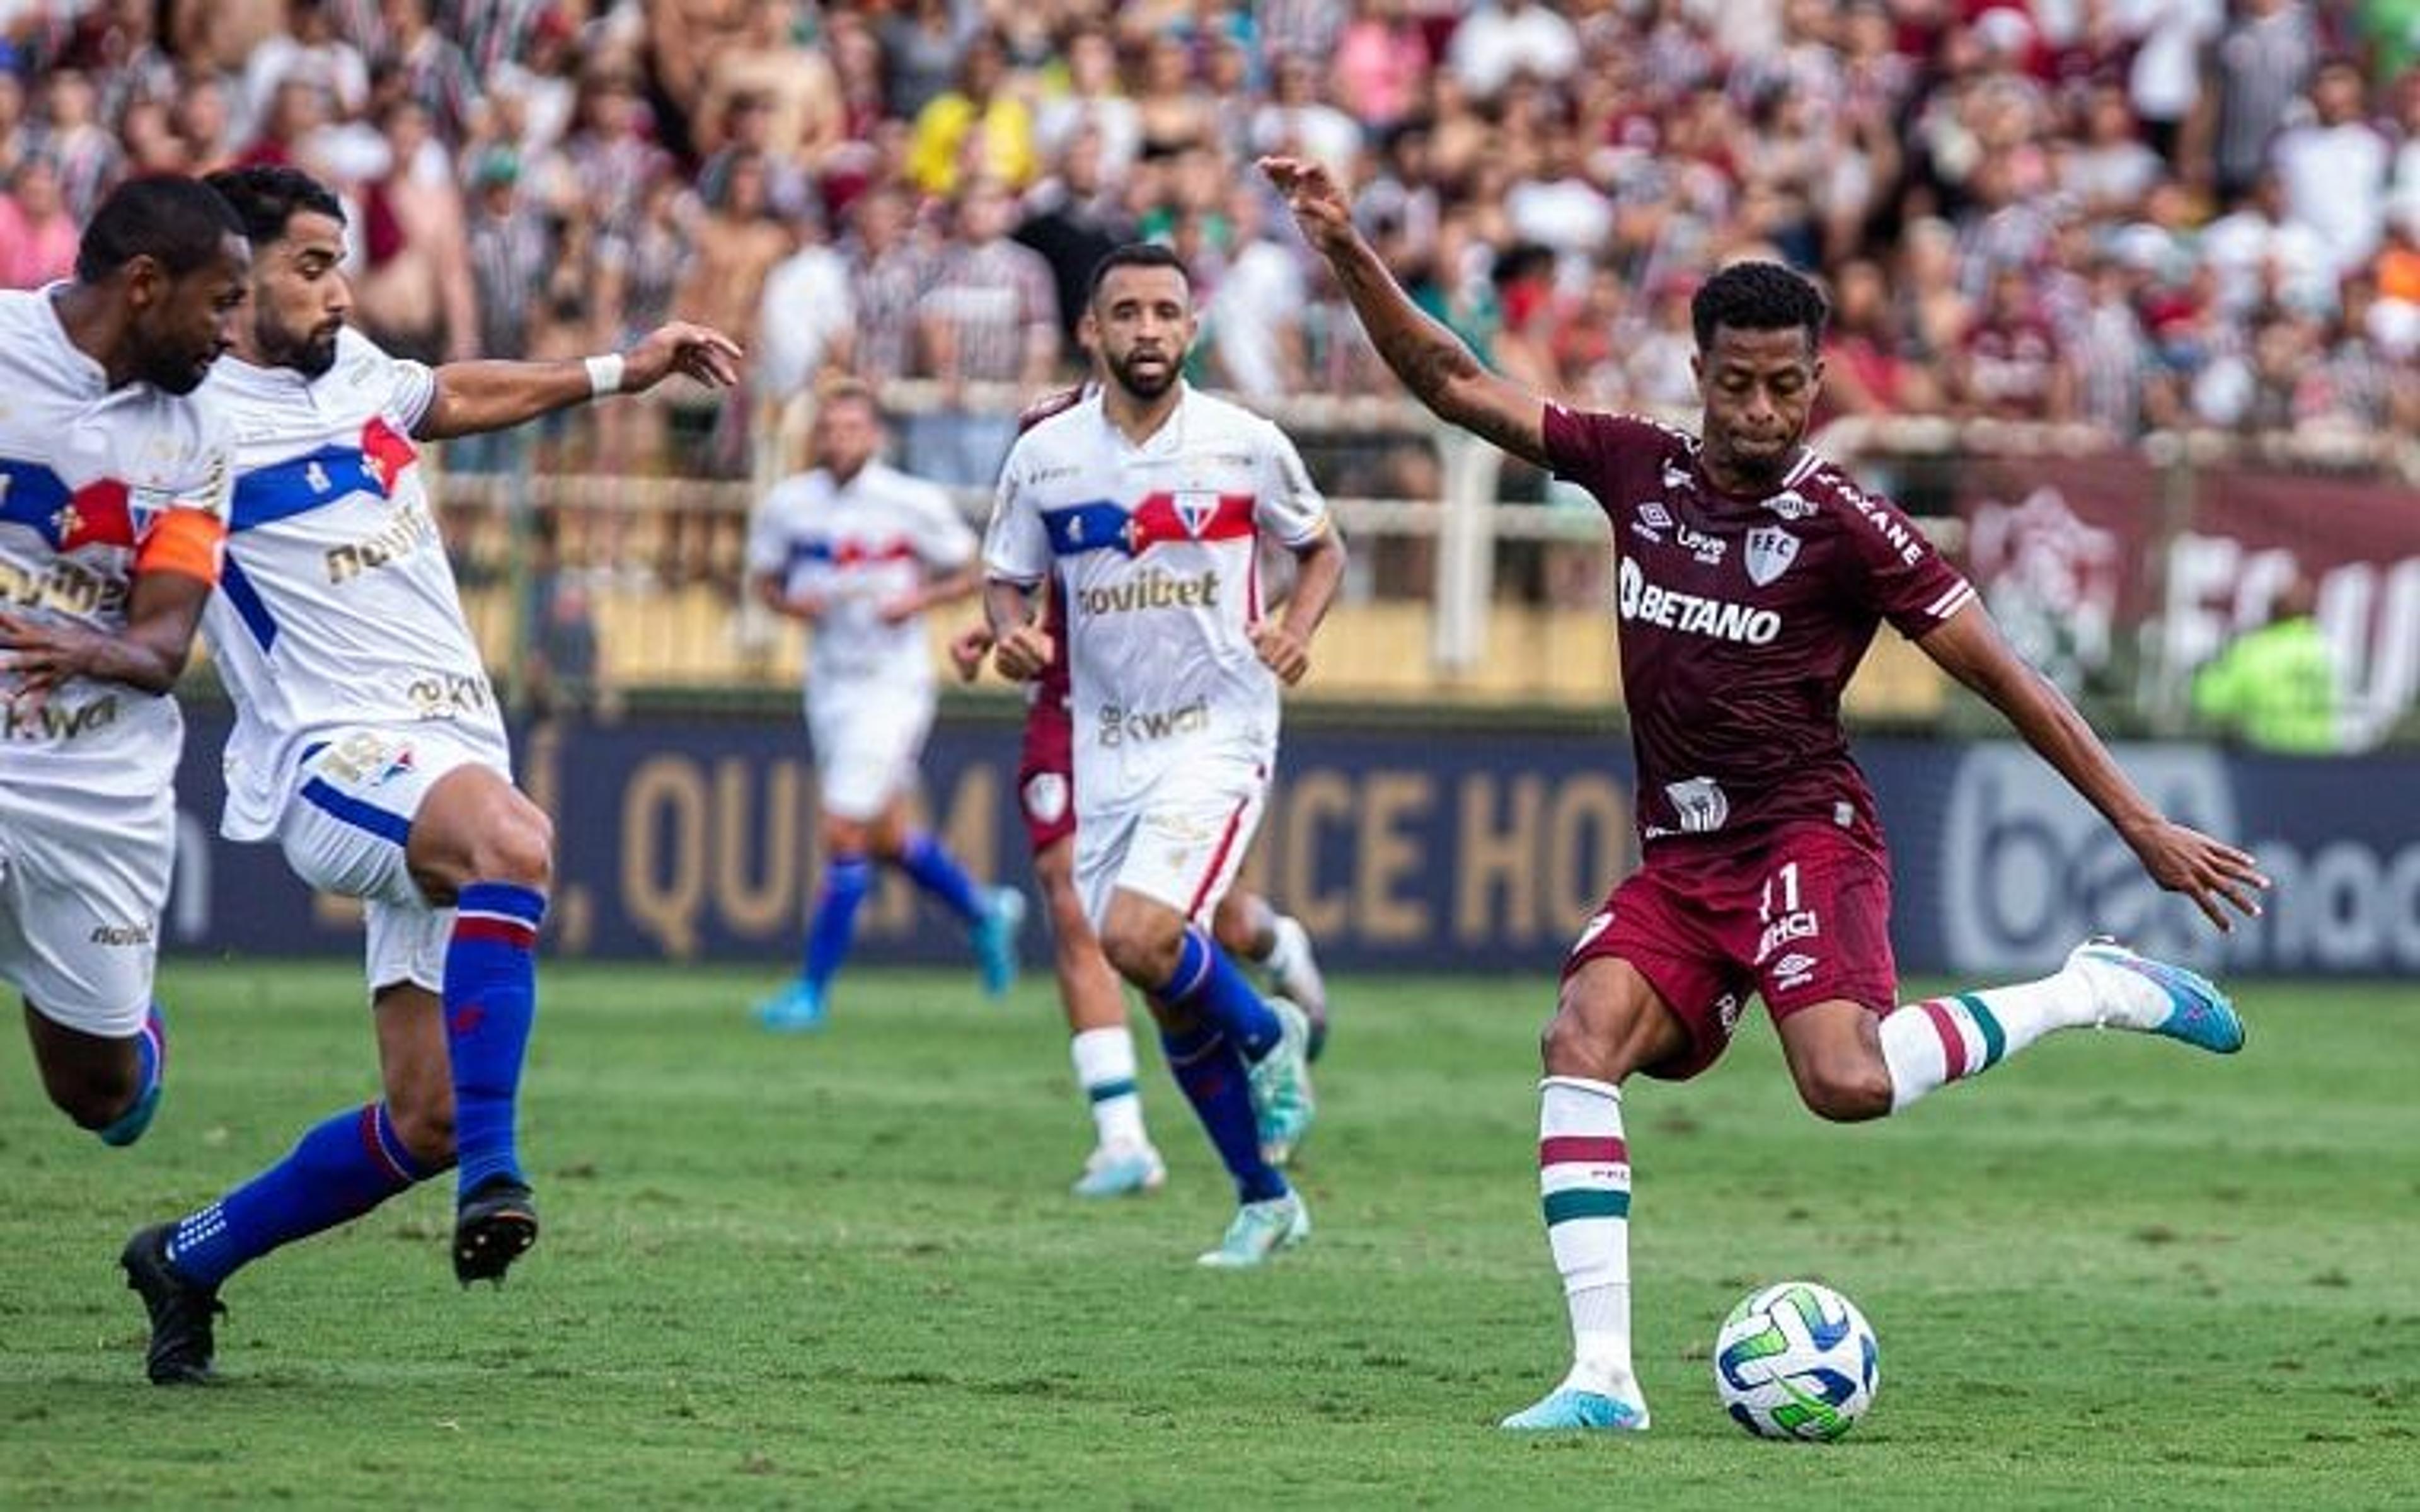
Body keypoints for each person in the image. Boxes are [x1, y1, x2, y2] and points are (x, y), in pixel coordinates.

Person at [1261, 154, 2272, 1428]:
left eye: (1786, 386)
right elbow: (1456, 384)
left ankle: (2092, 988)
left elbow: (2005, 677)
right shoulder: (1635, 466)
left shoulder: (1851, 529)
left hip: (1807, 837)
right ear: (1699, 375)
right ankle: (1603, 1378)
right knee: (1579, 1040)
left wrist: (2138, 823)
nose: (1759, 409)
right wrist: (1350, 247)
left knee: (1843, 1085)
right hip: (1682, 862)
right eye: (1736, 383)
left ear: (1816, 380)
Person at [116, 164, 741, 1386]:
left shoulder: (354, 378)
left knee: (426, 1118)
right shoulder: (186, 429)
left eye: (341, 264)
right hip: (335, 755)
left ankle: (186, 1257)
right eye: (311, 268)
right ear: (233, 284)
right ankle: (504, 1176)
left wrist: (624, 365)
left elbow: (449, 391)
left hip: (450, 749)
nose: (341, 293)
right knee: (513, 845)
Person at [980, 243, 1345, 1264]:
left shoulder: (1244, 443)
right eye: (1127, 313)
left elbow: (1322, 546)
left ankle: (1270, 1035)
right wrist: (1010, 630)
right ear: (1091, 332)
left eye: (1167, 313)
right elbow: (1004, 574)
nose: (1148, 330)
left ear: (1192, 330)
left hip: (1219, 729)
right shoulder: (1045, 458)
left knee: (1143, 936)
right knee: (1155, 976)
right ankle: (1264, 1199)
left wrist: (1297, 628)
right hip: (1106, 746)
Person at [0, 174, 246, 1150]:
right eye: (221, 302)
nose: (231, 333)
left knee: (100, 1097)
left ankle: (129, 1033)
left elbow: (163, 644)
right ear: (147, 283)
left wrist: (89, 647)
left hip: (95, 782)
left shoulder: (199, 434)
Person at [747, 380, 1024, 1033]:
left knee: (843, 828)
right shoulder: (789, 505)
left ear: (875, 436)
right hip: (830, 681)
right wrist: (792, 605)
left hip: (893, 684)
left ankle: (811, 991)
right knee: (887, 838)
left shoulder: (910, 501)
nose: (839, 439)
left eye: (852, 428)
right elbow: (764, 581)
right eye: (830, 428)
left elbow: (974, 570)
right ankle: (983, 910)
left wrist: (918, 601)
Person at [2189, 571, 2341, 753]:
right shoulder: (2323, 648)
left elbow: (2215, 702)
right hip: (2320, 757)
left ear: (2272, 610)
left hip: (2270, 755)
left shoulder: (2259, 650)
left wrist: (2200, 678)